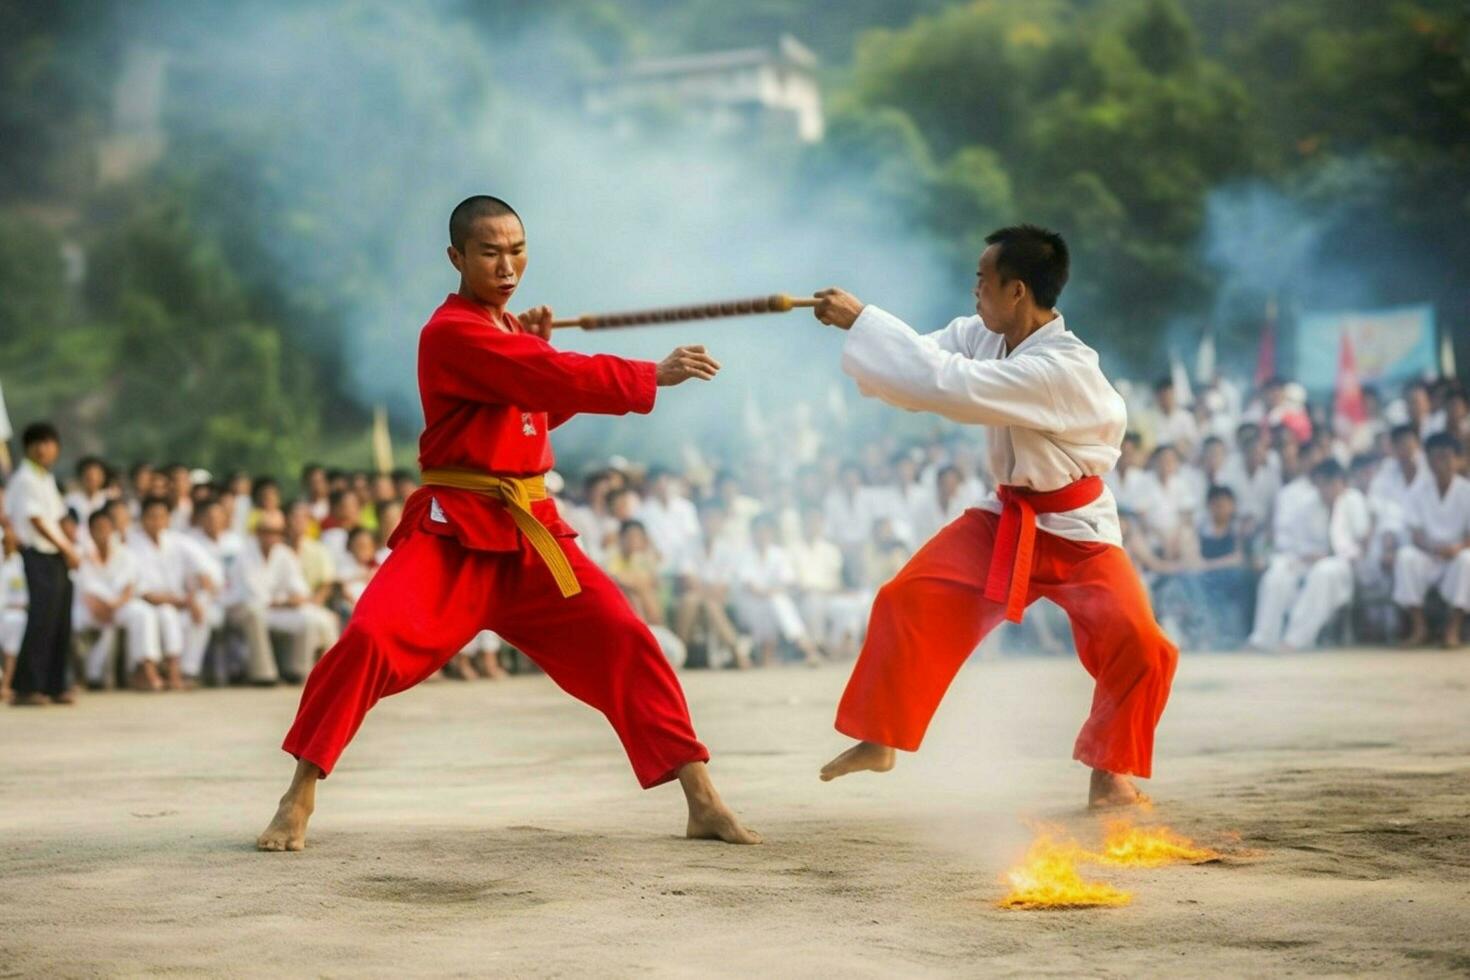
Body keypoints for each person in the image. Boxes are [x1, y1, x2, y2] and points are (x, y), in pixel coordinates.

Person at [258, 195, 758, 851]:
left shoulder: (507, 336)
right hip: (454, 534)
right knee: (370, 639)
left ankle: (703, 799)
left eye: (517, 250)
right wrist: (646, 375)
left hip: (531, 533)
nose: (507, 265)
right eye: (490, 252)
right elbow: (544, 377)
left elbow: (534, 410)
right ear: (457, 257)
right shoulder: (451, 332)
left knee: (626, 637)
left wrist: (531, 348)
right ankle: (299, 794)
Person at [811, 225, 1177, 808]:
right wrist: (869, 333)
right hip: (1005, 514)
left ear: (1018, 291)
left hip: (1077, 527)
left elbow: (945, 383)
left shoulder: (1062, 368)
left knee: (1141, 644)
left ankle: (1112, 771)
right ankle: (881, 737)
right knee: (906, 598)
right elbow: (922, 368)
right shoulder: (982, 336)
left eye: (984, 280)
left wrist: (864, 322)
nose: (974, 290)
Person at [4, 423, 79, 705]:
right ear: (27, 448)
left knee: (59, 621)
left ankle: (54, 684)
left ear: (56, 448)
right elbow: (36, 520)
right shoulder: (25, 478)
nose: (43, 448)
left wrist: (70, 542)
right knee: (41, 621)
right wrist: (67, 548)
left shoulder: (44, 478)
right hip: (38, 555)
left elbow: (58, 516)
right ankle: (27, 687)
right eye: (37, 443)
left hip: (56, 555)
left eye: (47, 442)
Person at [1393, 432, 1470, 647]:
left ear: (1458, 459)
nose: (1441, 463)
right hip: (1429, 555)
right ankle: (1420, 628)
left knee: (1467, 560)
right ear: (1427, 460)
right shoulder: (1417, 492)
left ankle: (1452, 630)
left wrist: (1457, 548)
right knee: (1406, 557)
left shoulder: (1467, 491)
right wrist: (1432, 548)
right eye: (1435, 458)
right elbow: (1415, 532)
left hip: (1456, 555)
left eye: (1446, 457)